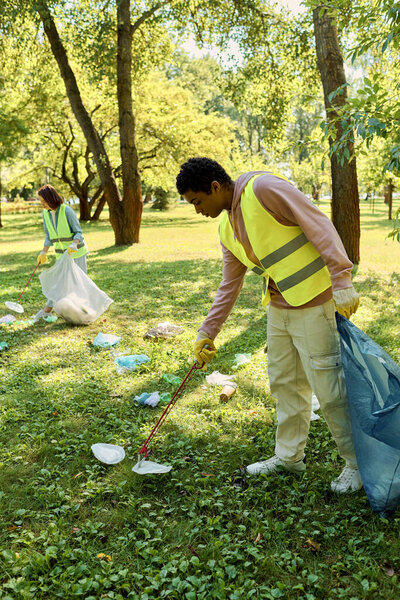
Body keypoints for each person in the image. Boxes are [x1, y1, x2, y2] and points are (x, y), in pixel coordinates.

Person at [176, 157, 362, 494]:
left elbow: (318, 223)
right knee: (284, 383)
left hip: (315, 301)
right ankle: (289, 457)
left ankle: (357, 464)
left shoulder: (263, 189)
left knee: (330, 389)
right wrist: (207, 332)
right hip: (279, 307)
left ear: (215, 187)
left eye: (198, 201)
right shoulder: (226, 227)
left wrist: (342, 278)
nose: (197, 210)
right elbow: (229, 285)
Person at [34, 184, 88, 321]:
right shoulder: (45, 214)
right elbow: (48, 236)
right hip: (61, 255)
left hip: (77, 252)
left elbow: (78, 232)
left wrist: (74, 244)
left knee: (79, 282)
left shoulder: (66, 211)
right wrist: (43, 252)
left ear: (51, 198)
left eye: (43, 201)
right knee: (59, 282)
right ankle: (48, 310)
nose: (42, 204)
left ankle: (84, 310)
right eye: (41, 201)